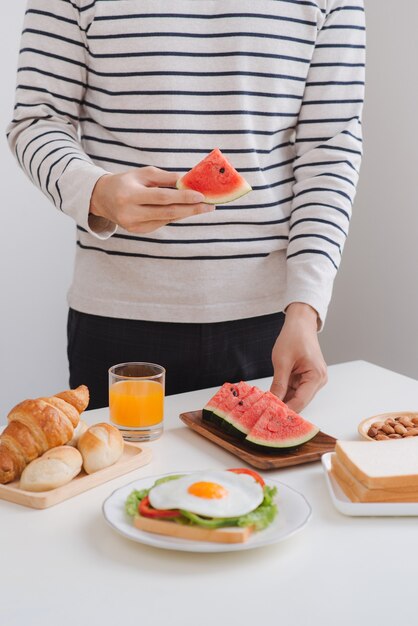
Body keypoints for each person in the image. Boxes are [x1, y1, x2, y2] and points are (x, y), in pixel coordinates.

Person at [7, 0, 365, 410]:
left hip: (274, 321)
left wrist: (306, 307)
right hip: (119, 315)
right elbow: (37, 120)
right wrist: (97, 191)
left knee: (257, 477)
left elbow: (330, 149)